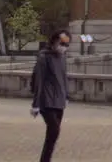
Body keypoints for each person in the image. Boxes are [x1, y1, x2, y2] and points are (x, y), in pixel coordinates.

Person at [31, 30, 70, 162]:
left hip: (59, 100)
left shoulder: (63, 58)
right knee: (54, 130)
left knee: (53, 134)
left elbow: (64, 77)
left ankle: (45, 159)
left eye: (66, 44)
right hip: (46, 101)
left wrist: (66, 95)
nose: (64, 47)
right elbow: (39, 80)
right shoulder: (44, 57)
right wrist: (36, 104)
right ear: (54, 42)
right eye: (62, 43)